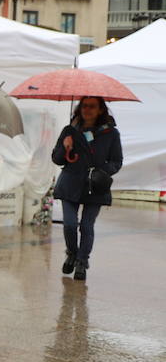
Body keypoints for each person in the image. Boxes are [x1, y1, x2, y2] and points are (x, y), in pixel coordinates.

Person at [51, 95, 122, 281]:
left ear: (100, 110)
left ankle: (82, 261)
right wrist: (64, 147)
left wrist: (101, 171)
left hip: (95, 185)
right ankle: (72, 253)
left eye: (91, 106)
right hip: (70, 183)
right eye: (84, 106)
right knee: (69, 224)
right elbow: (57, 159)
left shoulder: (111, 133)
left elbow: (117, 161)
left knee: (86, 226)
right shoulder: (70, 130)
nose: (87, 110)